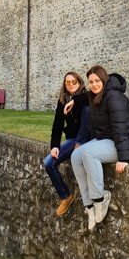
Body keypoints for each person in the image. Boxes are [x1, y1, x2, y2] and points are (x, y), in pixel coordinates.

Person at [70, 65, 129, 230]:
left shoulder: (114, 97)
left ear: (104, 80)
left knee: (89, 153)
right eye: (91, 82)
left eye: (97, 81)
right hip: (108, 140)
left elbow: (120, 128)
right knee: (76, 156)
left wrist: (124, 158)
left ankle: (100, 199)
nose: (94, 84)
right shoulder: (95, 96)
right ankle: (89, 206)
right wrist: (72, 102)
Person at [43, 72, 90, 216]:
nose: (70, 85)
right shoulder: (62, 100)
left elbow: (91, 99)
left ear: (79, 82)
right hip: (72, 140)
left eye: (73, 82)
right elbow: (57, 125)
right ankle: (66, 197)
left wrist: (75, 101)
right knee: (48, 163)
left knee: (87, 109)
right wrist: (55, 146)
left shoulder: (87, 95)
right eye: (67, 82)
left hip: (86, 139)